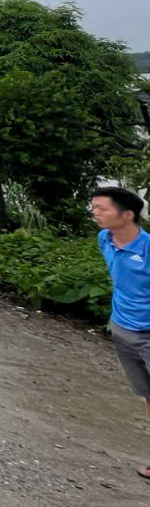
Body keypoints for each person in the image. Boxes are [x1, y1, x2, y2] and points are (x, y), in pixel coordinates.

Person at [90, 186, 150, 479]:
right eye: (93, 207)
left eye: (102, 208)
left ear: (127, 215)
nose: (95, 213)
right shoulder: (105, 239)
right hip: (122, 330)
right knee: (148, 395)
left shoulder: (148, 249)